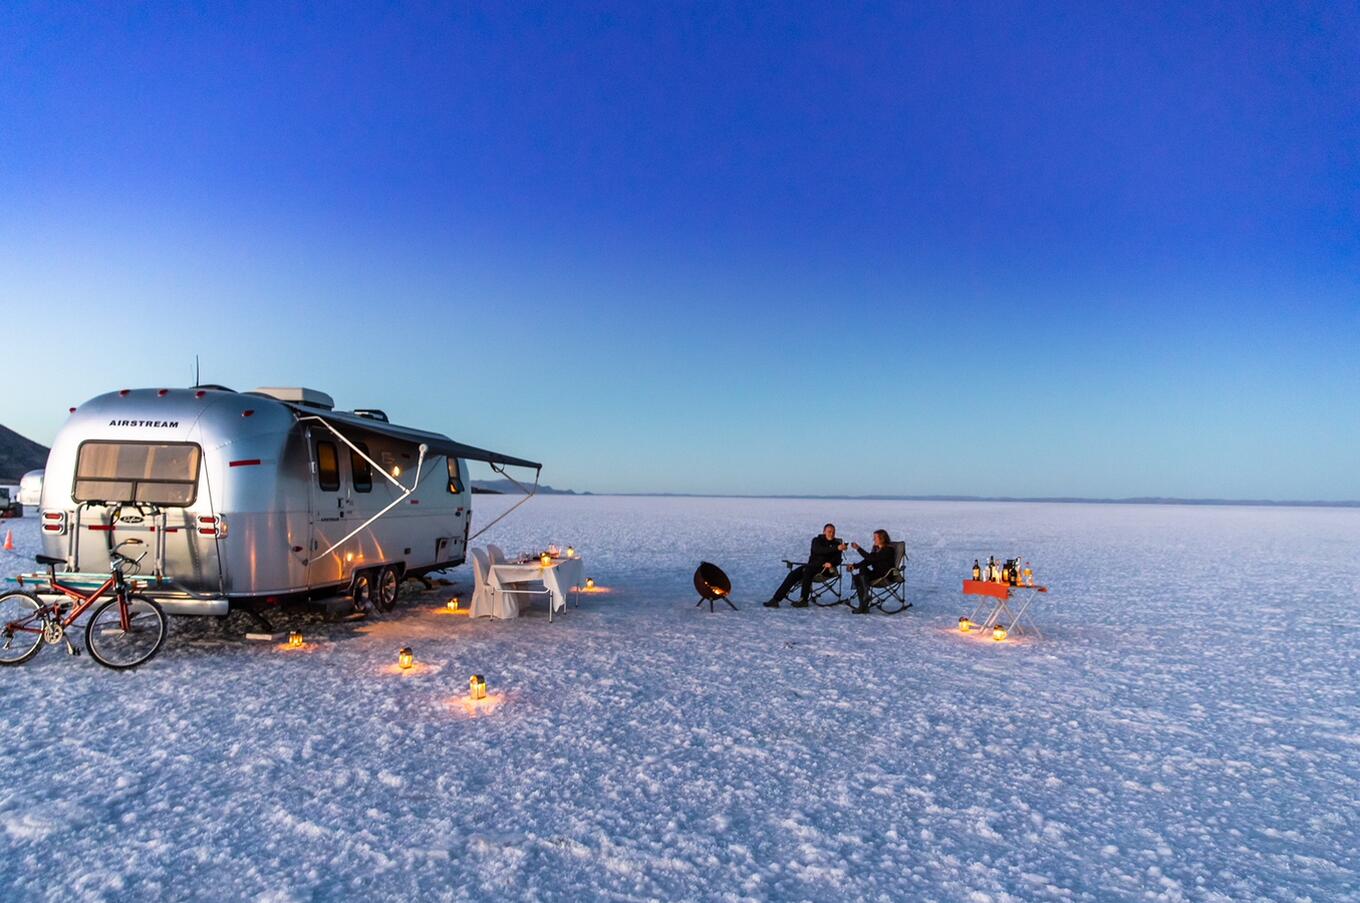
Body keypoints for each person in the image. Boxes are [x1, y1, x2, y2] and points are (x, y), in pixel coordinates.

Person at [763, 523, 846, 608]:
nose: (831, 534)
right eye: (829, 531)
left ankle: (804, 600)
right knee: (793, 574)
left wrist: (831, 563)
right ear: (824, 532)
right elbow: (818, 550)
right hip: (812, 566)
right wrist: (836, 548)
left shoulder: (837, 544)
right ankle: (776, 599)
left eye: (833, 532)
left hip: (826, 570)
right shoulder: (816, 541)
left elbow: (838, 559)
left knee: (807, 571)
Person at [846, 529, 896, 614]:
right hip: (876, 573)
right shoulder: (876, 548)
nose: (873, 540)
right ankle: (865, 600)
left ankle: (863, 604)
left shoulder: (888, 550)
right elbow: (868, 560)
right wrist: (854, 566)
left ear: (882, 539)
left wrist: (858, 548)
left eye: (875, 538)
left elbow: (872, 558)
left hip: (885, 575)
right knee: (859, 575)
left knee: (860, 578)